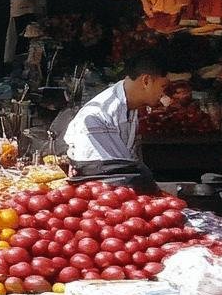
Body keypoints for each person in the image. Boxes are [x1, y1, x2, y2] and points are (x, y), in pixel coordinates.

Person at [64, 49, 170, 190]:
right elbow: (111, 178)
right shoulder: (99, 114)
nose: (165, 94)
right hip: (103, 194)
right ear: (146, 81)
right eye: (163, 86)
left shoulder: (130, 105)